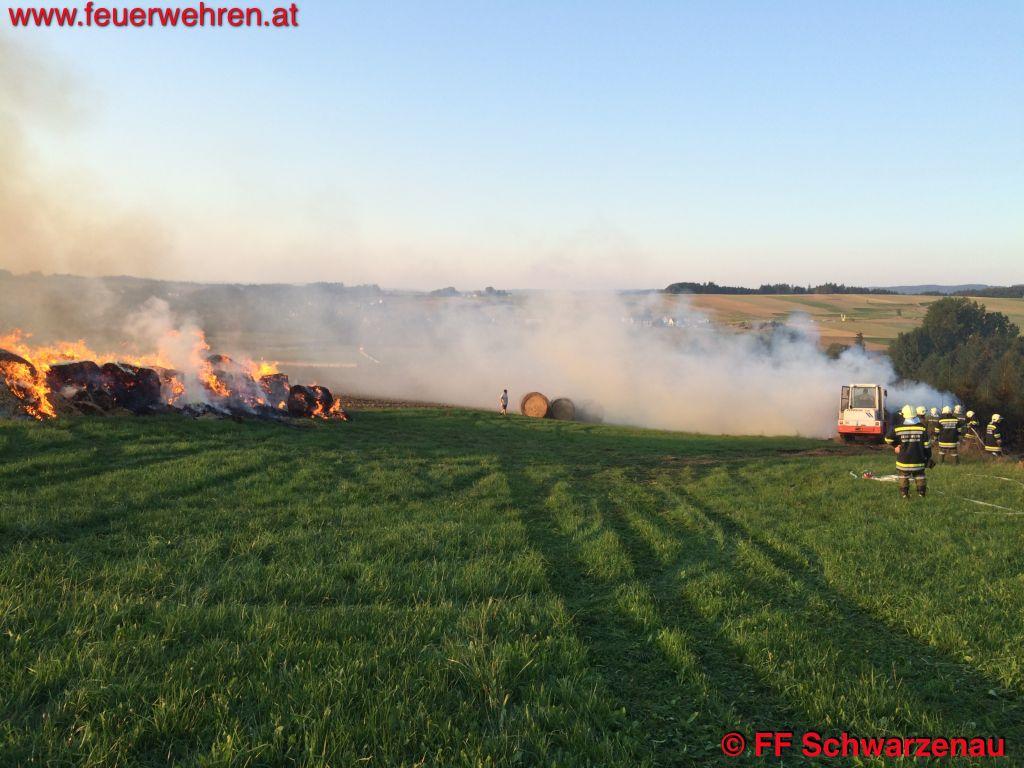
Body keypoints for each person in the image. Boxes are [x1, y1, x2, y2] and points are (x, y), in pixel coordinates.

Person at [885, 405, 932, 498]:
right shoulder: (922, 428)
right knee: (920, 476)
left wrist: (896, 445)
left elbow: (888, 439)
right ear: (915, 414)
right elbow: (927, 445)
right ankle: (921, 494)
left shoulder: (898, 428)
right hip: (918, 460)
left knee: (903, 476)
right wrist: (928, 457)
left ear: (903, 415)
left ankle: (904, 494)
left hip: (903, 461)